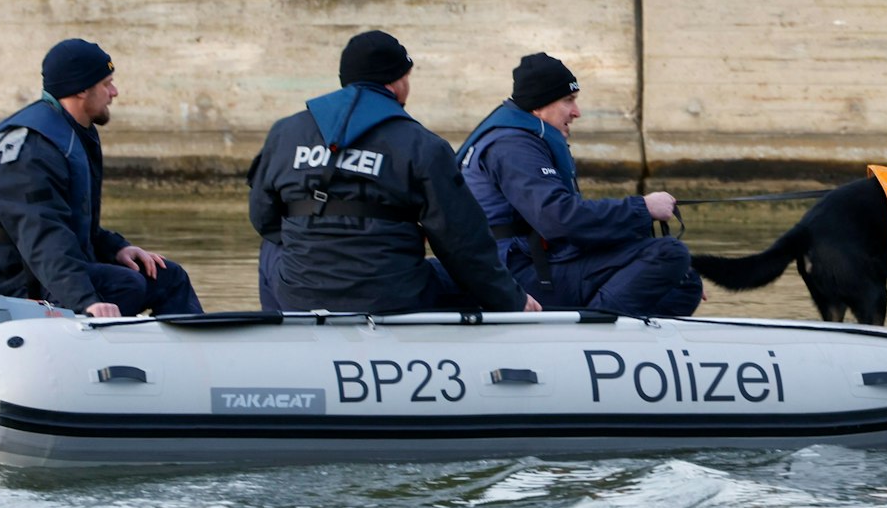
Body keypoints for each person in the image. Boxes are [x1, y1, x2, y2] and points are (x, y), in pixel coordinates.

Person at [247, 30, 539, 315]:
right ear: (395, 82)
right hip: (390, 297)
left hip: (300, 293)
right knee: (462, 276)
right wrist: (512, 300)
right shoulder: (423, 145)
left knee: (272, 251)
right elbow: (462, 244)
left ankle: (281, 330)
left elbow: (263, 217)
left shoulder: (284, 132)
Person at [0, 38, 202, 319]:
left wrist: (118, 249)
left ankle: (192, 341)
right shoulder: (29, 153)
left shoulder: (73, 133)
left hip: (52, 266)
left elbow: (73, 222)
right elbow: (42, 238)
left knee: (168, 277)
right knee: (126, 284)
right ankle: (98, 340)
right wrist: (86, 301)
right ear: (81, 90)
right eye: (106, 84)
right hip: (11, 276)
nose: (114, 92)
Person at [458, 52, 703, 317]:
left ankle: (613, 328)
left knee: (685, 281)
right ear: (538, 106)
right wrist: (642, 208)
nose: (577, 112)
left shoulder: (519, 139)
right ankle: (592, 331)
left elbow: (566, 225)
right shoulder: (513, 147)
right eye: (568, 100)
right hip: (515, 274)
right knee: (670, 254)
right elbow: (559, 219)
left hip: (533, 264)